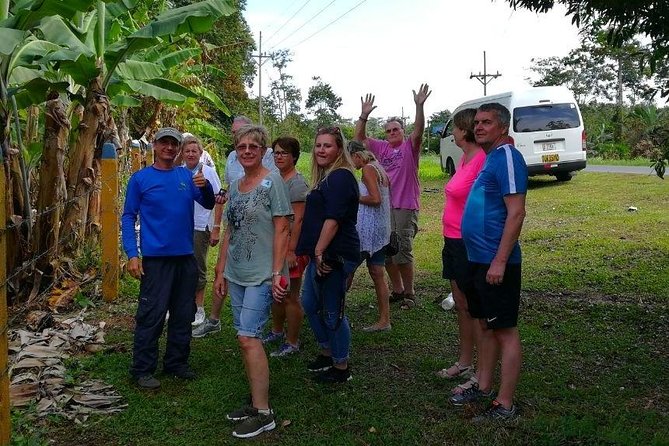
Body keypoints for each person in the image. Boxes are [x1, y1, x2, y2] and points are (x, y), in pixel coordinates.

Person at [450, 103, 528, 423]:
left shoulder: (508, 157)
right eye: (477, 122)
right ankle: (482, 385)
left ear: (503, 128)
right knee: (484, 323)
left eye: (487, 122)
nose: (479, 127)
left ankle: (505, 405)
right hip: (477, 259)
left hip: (497, 263)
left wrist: (499, 260)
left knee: (505, 331)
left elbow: (517, 212)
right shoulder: (490, 158)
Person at [121, 127, 215, 390]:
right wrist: (132, 254)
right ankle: (142, 369)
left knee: (183, 313)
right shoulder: (141, 179)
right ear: (155, 145)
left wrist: (206, 188)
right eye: (164, 143)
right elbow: (128, 217)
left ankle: (176, 362)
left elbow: (208, 203)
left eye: (174, 144)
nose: (169, 148)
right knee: (151, 314)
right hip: (156, 259)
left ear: (178, 148)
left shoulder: (186, 176)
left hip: (185, 257)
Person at [213, 124, 291, 438]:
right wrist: (220, 272)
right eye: (241, 147)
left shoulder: (272, 182)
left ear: (263, 151)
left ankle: (264, 413)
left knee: (248, 338)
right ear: (236, 151)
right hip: (237, 273)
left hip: (262, 274)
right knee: (246, 341)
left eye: (253, 147)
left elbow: (283, 228)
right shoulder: (236, 183)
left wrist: (277, 273)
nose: (247, 151)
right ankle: (255, 400)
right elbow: (229, 232)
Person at [193, 115, 278, 338]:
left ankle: (267, 327)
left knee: (258, 291)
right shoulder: (232, 157)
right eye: (236, 138)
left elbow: (273, 191)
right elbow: (229, 186)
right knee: (224, 270)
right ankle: (216, 319)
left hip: (260, 227)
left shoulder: (268, 160)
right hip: (236, 219)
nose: (245, 148)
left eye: (249, 143)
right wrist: (218, 222)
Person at [355, 84, 431, 310]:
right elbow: (358, 139)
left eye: (395, 130)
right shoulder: (381, 148)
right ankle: (397, 290)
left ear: (402, 131)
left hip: (405, 206)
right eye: (388, 131)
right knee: (386, 250)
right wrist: (364, 116)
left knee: (402, 251)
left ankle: (410, 292)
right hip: (385, 207)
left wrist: (419, 106)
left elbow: (419, 129)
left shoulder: (410, 147)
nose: (391, 133)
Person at [296, 126, 360, 384]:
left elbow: (333, 219)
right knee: (311, 303)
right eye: (318, 145)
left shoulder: (341, 177)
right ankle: (326, 349)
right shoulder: (326, 177)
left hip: (335, 254)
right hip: (320, 254)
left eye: (328, 146)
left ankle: (341, 365)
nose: (321, 150)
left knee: (332, 311)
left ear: (339, 149)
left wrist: (320, 251)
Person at [436, 109, 487, 394]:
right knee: (461, 304)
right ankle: (465, 361)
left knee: (474, 307)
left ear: (464, 130)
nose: (452, 133)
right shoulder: (465, 158)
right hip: (451, 240)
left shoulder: (481, 159)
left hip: (468, 242)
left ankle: (482, 370)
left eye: (455, 128)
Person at [263, 137, 310, 357]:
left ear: (294, 157)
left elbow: (298, 220)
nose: (279, 156)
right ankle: (276, 330)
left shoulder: (297, 183)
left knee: (291, 295)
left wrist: (291, 250)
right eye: (276, 153)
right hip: (276, 245)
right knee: (277, 293)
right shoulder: (275, 179)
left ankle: (292, 342)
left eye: (284, 153)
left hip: (292, 249)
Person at [347, 140, 392, 332]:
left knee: (346, 270)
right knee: (377, 273)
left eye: (351, 159)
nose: (351, 164)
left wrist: (351, 196)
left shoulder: (368, 169)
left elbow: (375, 199)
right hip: (381, 229)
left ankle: (332, 311)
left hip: (368, 231)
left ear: (357, 155)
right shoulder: (379, 167)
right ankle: (385, 320)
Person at [180, 134, 224, 326]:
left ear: (200, 153)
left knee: (198, 265)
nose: (190, 154)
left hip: (200, 224)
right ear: (182, 153)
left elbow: (219, 199)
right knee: (180, 265)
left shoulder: (208, 171)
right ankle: (182, 304)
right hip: (181, 226)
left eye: (194, 151)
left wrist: (216, 227)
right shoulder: (178, 172)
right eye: (187, 151)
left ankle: (199, 308)